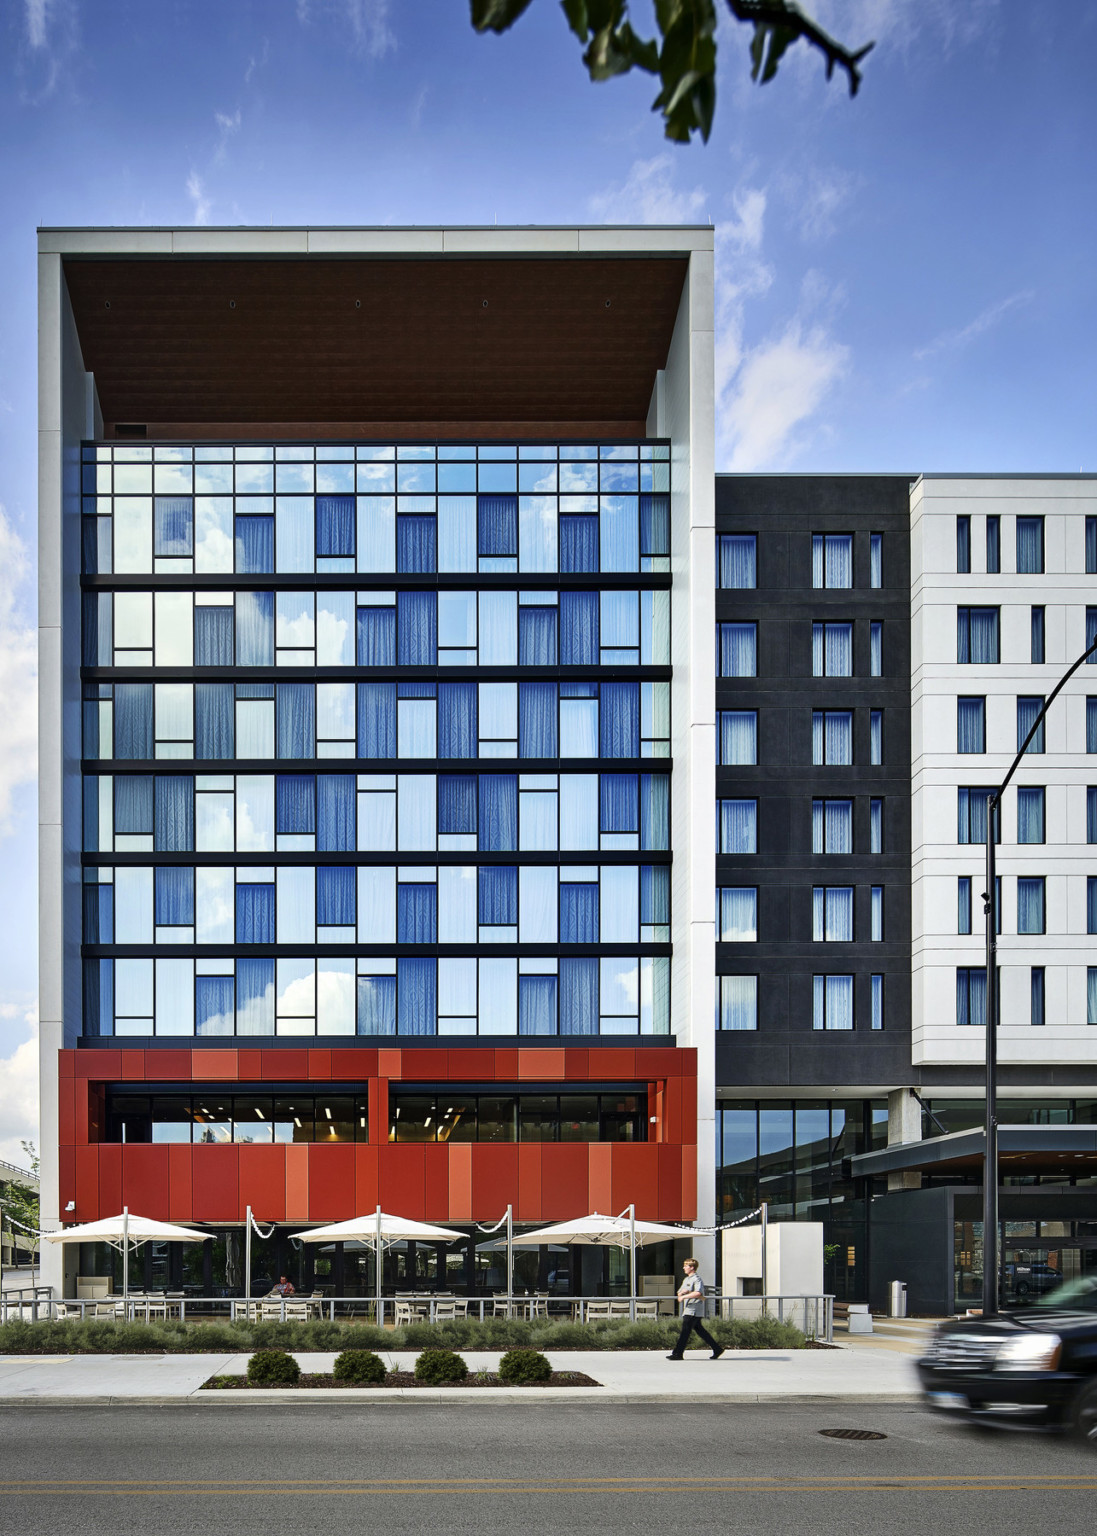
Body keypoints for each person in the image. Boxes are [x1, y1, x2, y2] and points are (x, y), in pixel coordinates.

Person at [667, 1258, 724, 1361]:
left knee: (685, 1331)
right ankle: (717, 1349)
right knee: (700, 1331)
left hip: (694, 1309)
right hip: (688, 1308)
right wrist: (683, 1293)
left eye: (686, 1266)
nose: (683, 1267)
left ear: (692, 1267)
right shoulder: (687, 1279)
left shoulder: (697, 1279)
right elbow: (679, 1292)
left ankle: (677, 1353)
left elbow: (698, 1293)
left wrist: (684, 1296)